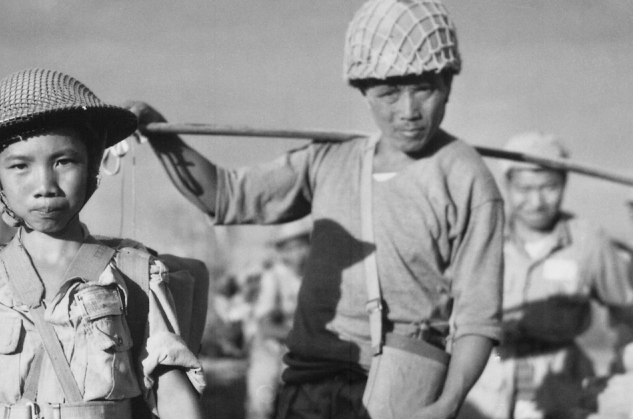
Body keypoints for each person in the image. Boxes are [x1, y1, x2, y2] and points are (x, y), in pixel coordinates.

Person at [127, 0, 505, 417]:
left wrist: (448, 403)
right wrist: (163, 136)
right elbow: (225, 196)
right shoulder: (330, 160)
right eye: (389, 93)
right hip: (309, 383)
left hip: (399, 388)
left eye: (425, 88)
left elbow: (478, 318)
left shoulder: (466, 178)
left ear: (449, 84)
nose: (408, 111)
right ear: (364, 91)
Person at [0, 69, 203, 419]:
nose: (45, 184)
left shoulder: (134, 274)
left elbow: (173, 394)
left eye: (64, 161)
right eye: (20, 166)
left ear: (93, 165)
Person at [460, 132, 633, 419]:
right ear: (507, 185)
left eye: (548, 187)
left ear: (564, 184)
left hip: (563, 388)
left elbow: (628, 311)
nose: (537, 201)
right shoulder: (482, 237)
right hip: (487, 378)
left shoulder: (589, 242)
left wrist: (622, 372)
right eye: (524, 189)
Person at [246, 219, 311, 419]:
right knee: (263, 396)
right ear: (281, 251)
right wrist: (302, 338)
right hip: (272, 348)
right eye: (290, 248)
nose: (298, 253)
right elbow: (265, 326)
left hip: (305, 351)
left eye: (301, 245)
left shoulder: (315, 277)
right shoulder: (273, 276)